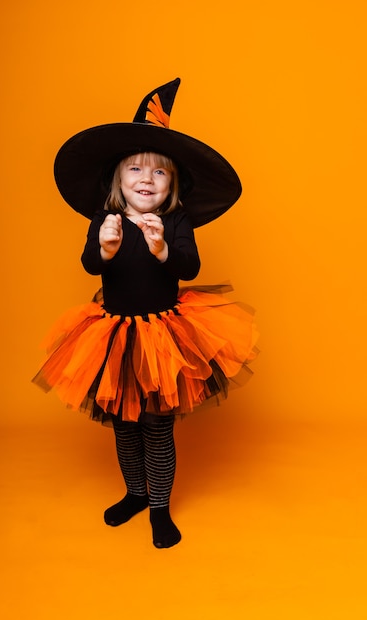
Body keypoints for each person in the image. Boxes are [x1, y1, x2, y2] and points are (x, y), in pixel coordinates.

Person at [33, 78, 258, 549]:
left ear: (172, 184)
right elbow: (90, 266)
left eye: (158, 173)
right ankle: (136, 493)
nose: (146, 179)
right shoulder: (106, 221)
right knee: (123, 424)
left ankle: (160, 508)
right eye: (135, 169)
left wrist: (160, 248)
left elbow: (190, 266)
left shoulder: (175, 222)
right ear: (117, 181)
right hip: (113, 336)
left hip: (164, 336)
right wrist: (106, 246)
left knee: (157, 425)